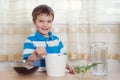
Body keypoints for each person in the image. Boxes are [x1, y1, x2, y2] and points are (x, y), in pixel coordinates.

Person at [23, 4, 75, 74]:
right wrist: (35, 53)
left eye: (49, 21)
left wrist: (69, 67)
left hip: (54, 73)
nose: (45, 25)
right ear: (34, 22)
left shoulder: (56, 40)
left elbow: (62, 58)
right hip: (37, 75)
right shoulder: (30, 40)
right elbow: (28, 63)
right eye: (41, 21)